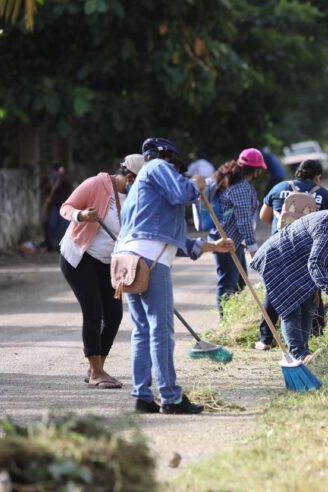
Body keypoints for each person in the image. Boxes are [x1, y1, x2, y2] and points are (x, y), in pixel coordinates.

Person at [116, 137, 235, 415]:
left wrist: (212, 246)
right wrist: (197, 184)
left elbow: (172, 239)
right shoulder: (157, 165)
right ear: (165, 156)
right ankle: (171, 398)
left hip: (129, 258)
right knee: (160, 329)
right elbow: (184, 193)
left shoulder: (143, 187)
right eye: (174, 164)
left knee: (143, 330)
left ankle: (143, 397)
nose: (175, 169)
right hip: (149, 259)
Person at [250, 195, 328, 362]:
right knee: (291, 307)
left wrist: (317, 285)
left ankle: (305, 351)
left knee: (310, 303)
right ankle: (299, 355)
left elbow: (320, 258)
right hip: (279, 261)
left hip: (298, 262)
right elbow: (316, 263)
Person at [59, 154, 145, 389]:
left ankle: (96, 367)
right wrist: (82, 216)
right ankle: (97, 372)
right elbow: (65, 208)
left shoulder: (137, 197)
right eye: (139, 181)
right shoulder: (97, 184)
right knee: (93, 311)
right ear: (129, 177)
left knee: (114, 316)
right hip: (79, 257)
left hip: (109, 262)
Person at [255, 159, 328, 350]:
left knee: (275, 290)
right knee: (313, 290)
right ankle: (317, 334)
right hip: (308, 252)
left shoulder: (279, 188)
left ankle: (266, 339)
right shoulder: (323, 195)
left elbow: (264, 217)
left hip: (279, 250)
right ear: (318, 177)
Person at [204, 148, 264, 318]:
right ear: (256, 170)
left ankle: (235, 318)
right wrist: (252, 247)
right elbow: (244, 220)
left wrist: (245, 243)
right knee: (228, 283)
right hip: (225, 241)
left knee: (239, 283)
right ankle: (226, 322)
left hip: (233, 240)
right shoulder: (241, 187)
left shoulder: (234, 181)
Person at [43, 165, 73, 250]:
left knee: (65, 227)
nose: (51, 174)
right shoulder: (51, 182)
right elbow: (48, 192)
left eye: (52, 172)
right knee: (52, 226)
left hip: (65, 207)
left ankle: (66, 245)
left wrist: (61, 177)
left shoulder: (64, 179)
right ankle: (54, 245)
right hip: (55, 207)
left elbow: (68, 184)